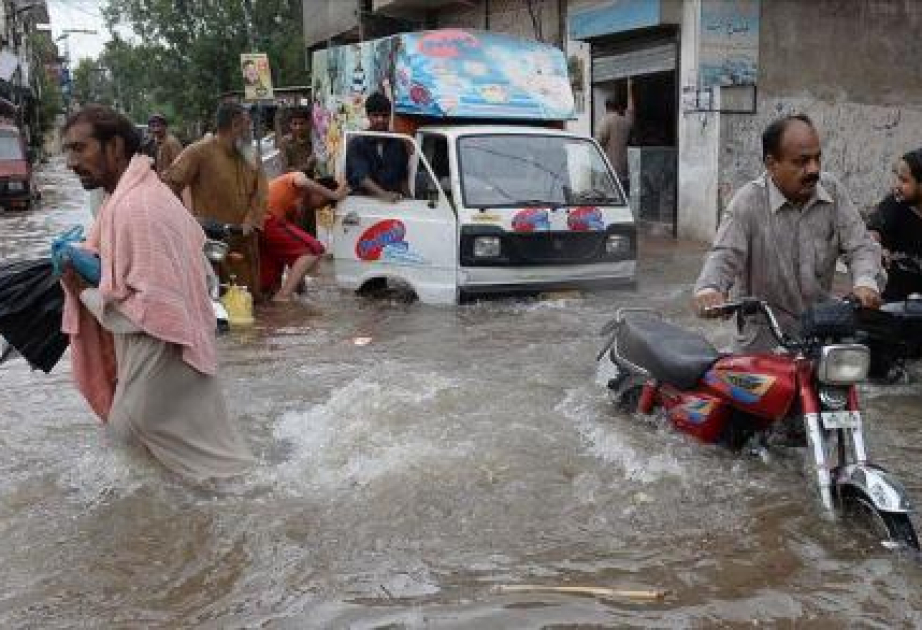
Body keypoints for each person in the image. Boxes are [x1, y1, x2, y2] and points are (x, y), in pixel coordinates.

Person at [59, 104, 253, 481]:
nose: (70, 162)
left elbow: (151, 307)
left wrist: (84, 290)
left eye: (79, 149)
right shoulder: (138, 197)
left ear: (114, 147)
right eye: (67, 151)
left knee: (145, 457)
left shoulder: (137, 205)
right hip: (176, 357)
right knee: (217, 470)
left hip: (159, 360)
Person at [692, 114, 884, 350]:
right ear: (772, 164)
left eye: (817, 158)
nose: (813, 169)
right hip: (764, 340)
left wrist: (865, 282)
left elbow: (860, 246)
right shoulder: (747, 203)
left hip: (822, 334)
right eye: (801, 161)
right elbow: (724, 254)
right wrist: (710, 289)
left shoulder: (832, 191)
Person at [162, 102, 267, 301]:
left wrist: (251, 221)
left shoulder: (250, 154)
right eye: (248, 125)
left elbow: (261, 192)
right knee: (216, 300)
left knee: (249, 301)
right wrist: (187, 222)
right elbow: (168, 186)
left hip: (246, 241)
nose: (250, 131)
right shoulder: (198, 152)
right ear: (236, 125)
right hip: (213, 243)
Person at [260, 171, 348, 302]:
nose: (319, 208)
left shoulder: (296, 206)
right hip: (266, 218)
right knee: (314, 249)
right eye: (324, 203)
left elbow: (296, 258)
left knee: (269, 286)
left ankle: (277, 298)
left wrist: (301, 289)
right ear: (318, 190)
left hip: (262, 224)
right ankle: (283, 297)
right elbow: (301, 181)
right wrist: (334, 195)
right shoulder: (298, 177)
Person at [866, 148, 922, 301]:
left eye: (904, 180)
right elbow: (872, 232)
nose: (896, 186)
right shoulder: (894, 205)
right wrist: (877, 248)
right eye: (897, 178)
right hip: (894, 306)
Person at [345, 92, 409, 203]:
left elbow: (402, 178)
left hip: (394, 203)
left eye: (384, 115)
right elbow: (361, 177)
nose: (380, 120)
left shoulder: (398, 143)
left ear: (390, 116)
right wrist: (383, 194)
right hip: (363, 203)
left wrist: (411, 200)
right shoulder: (357, 143)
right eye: (376, 115)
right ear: (368, 116)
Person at [596, 78, 634, 195]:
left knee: (609, 198)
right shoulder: (625, 122)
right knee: (622, 198)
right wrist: (630, 88)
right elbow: (631, 111)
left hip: (608, 170)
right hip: (624, 169)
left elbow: (598, 144)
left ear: (606, 107)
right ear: (618, 108)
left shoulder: (605, 121)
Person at [279, 107, 316, 176]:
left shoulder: (314, 140)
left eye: (302, 123)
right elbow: (286, 169)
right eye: (295, 124)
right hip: (294, 181)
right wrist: (306, 166)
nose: (298, 127)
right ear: (290, 125)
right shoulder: (286, 142)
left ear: (308, 123)